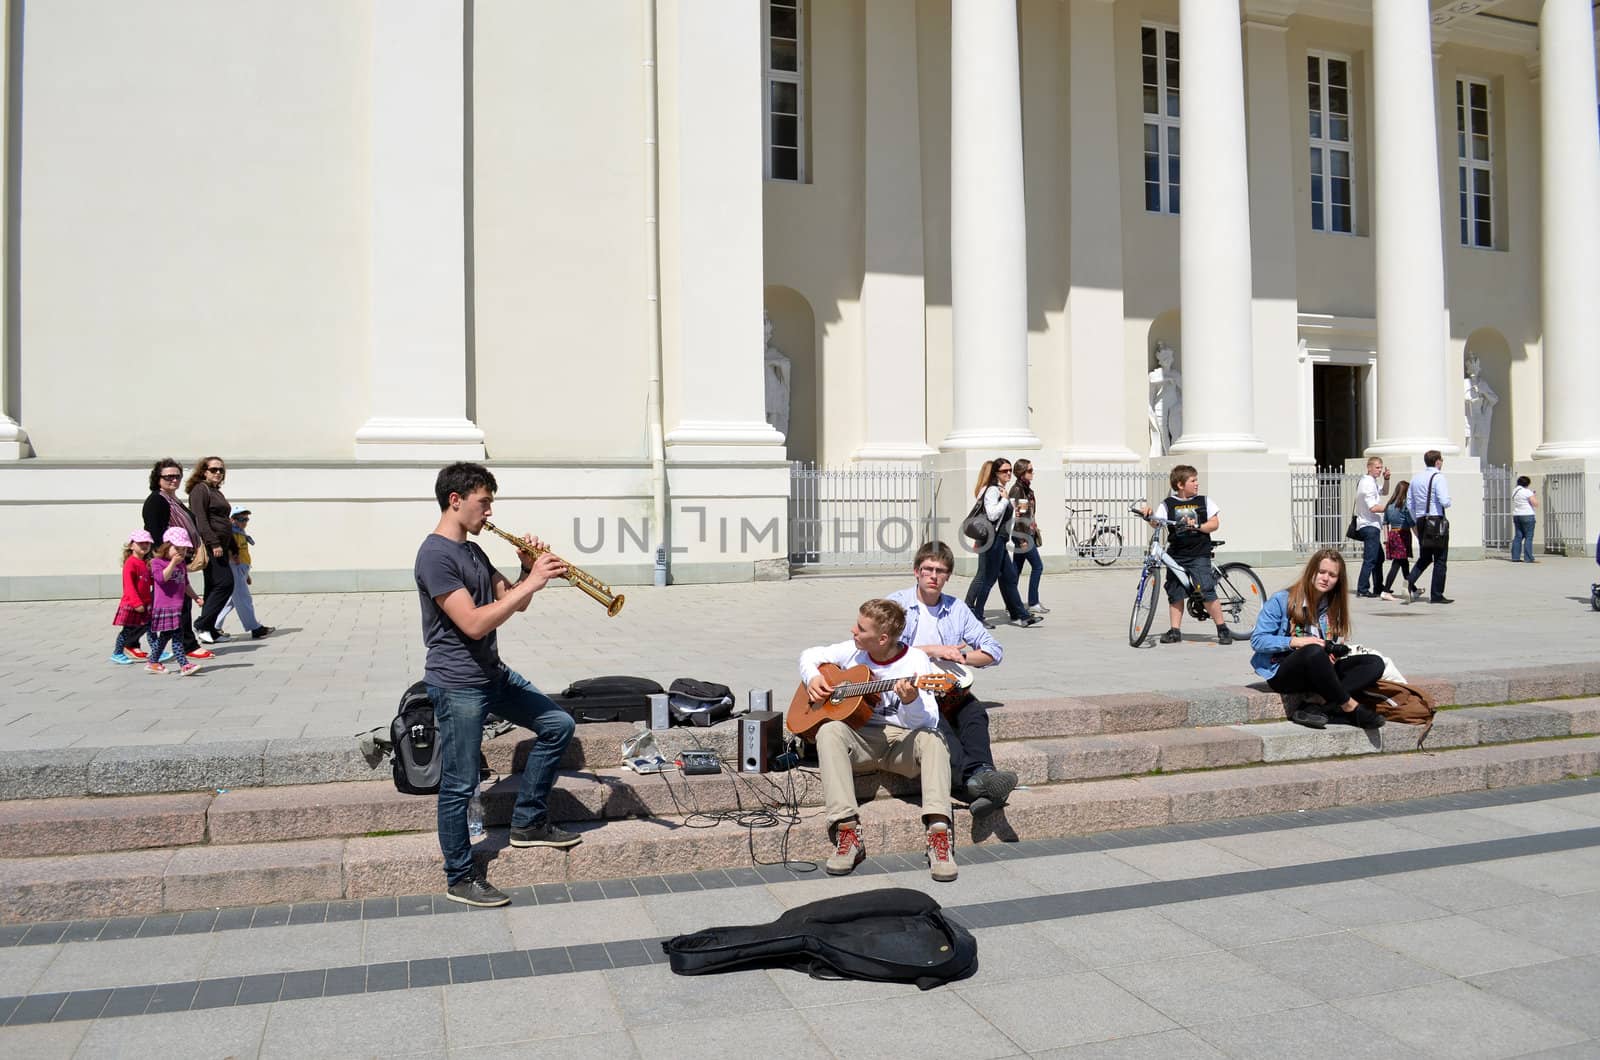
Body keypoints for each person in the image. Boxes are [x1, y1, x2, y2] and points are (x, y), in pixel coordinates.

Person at [416, 461, 581, 909]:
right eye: (483, 502)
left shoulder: (474, 552)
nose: (489, 513)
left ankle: (528, 823)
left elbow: (512, 602)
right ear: (456, 500)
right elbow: (471, 623)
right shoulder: (435, 556)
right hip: (458, 685)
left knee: (558, 725)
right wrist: (531, 581)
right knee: (460, 782)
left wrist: (526, 570)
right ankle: (460, 876)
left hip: (493, 674)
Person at [800, 598, 957, 882]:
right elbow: (809, 655)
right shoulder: (853, 651)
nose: (853, 631)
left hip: (900, 743)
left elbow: (926, 724)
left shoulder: (916, 663)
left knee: (934, 739)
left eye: (860, 628)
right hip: (861, 740)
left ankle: (938, 834)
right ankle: (847, 831)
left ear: (882, 639)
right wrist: (812, 678)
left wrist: (910, 702)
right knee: (828, 730)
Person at [886, 541, 1017, 821]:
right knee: (938, 723)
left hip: (949, 688)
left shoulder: (956, 608)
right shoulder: (897, 605)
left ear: (948, 576)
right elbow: (885, 650)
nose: (933, 576)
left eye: (941, 571)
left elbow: (994, 650)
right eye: (928, 569)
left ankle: (983, 776)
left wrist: (964, 658)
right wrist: (935, 650)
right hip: (911, 691)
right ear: (916, 572)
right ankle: (977, 784)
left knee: (975, 713)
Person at [1249, 549, 1385, 730]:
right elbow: (1258, 640)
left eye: (1332, 575)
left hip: (1319, 670)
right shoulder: (1282, 600)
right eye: (1321, 572)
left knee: (1374, 663)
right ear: (1311, 571)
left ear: (1338, 580)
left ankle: (1315, 705)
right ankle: (1350, 707)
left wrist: (1330, 654)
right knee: (1312, 651)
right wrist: (1297, 642)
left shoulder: (1332, 604)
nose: (1325, 578)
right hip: (1284, 671)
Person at [1138, 465, 1236, 645]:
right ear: (1180, 484)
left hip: (1198, 552)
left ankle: (1222, 629)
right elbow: (1156, 523)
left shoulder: (1204, 501)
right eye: (1193, 480)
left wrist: (1198, 527)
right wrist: (1149, 514)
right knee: (1174, 591)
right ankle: (1175, 631)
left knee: (1206, 589)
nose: (1197, 484)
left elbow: (1214, 523)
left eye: (1196, 480)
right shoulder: (1168, 504)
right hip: (1176, 554)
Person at [140, 459, 213, 661]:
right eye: (168, 476)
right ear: (158, 479)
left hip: (178, 559)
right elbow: (155, 532)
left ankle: (139, 642)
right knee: (176, 603)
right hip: (167, 561)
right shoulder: (157, 500)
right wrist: (166, 560)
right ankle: (187, 645)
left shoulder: (173, 499)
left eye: (177, 476)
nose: (173, 479)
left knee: (177, 603)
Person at [963, 458, 1041, 630]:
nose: (1008, 474)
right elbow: (991, 515)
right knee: (988, 579)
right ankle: (977, 615)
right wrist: (1005, 500)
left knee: (1010, 577)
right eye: (1004, 471)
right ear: (996, 473)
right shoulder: (993, 490)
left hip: (1002, 540)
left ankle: (1021, 616)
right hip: (994, 540)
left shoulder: (1002, 489)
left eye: (1009, 470)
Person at [186, 456, 237, 643]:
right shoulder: (200, 490)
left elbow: (225, 522)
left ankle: (210, 630)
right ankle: (202, 624)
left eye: (221, 470)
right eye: (213, 469)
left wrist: (232, 548)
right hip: (211, 546)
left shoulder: (216, 491)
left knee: (213, 587)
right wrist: (214, 543)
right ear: (203, 471)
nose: (218, 473)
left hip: (222, 546)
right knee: (225, 584)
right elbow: (201, 519)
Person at [148, 528, 204, 676]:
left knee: (166, 636)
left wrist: (196, 597)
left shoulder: (182, 565)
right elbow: (161, 579)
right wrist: (172, 563)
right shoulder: (157, 562)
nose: (181, 552)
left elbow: (185, 584)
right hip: (164, 607)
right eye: (177, 549)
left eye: (184, 549)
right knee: (177, 636)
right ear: (166, 547)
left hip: (177, 606)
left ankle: (153, 661)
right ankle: (184, 665)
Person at [215, 506, 275, 639]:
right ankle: (255, 628)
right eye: (241, 519)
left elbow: (244, 553)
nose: (244, 522)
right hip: (234, 567)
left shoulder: (240, 533)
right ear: (232, 519)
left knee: (230, 601)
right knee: (243, 598)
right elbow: (229, 551)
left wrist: (246, 575)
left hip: (241, 569)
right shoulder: (230, 533)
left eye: (246, 519)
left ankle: (214, 626)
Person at [1406, 449, 1452, 604]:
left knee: (1425, 556)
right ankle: (1436, 594)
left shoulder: (1416, 478)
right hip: (1436, 520)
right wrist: (1448, 501)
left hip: (1421, 520)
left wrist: (1416, 520)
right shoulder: (1438, 477)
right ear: (1437, 461)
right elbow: (1445, 501)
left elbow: (1410, 503)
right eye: (1441, 460)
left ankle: (1409, 581)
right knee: (1440, 558)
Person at [1008, 458, 1048, 615]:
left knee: (1016, 570)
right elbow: (1018, 517)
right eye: (1029, 470)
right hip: (1023, 535)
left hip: (1026, 533)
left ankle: (1011, 603)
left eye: (1032, 470)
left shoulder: (1025, 489)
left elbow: (1027, 513)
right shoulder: (1018, 490)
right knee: (1038, 566)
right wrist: (1022, 539)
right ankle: (1033, 602)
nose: (1032, 473)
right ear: (1021, 472)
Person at [110, 530, 155, 665]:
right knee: (127, 630)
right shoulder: (131, 563)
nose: (144, 546)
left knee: (150, 628)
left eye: (147, 543)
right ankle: (117, 653)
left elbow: (149, 581)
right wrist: (137, 603)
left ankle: (157, 650)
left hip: (145, 603)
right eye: (140, 543)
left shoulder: (145, 563)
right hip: (133, 604)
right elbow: (129, 586)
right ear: (131, 546)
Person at [1353, 457, 1389, 598]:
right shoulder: (1367, 483)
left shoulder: (1371, 481)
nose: (1379, 470)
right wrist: (1392, 507)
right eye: (1377, 467)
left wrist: (1386, 479)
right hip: (1369, 526)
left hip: (1373, 526)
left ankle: (1378, 586)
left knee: (1379, 558)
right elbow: (1373, 507)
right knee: (1370, 559)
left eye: (1381, 467)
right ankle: (1362, 589)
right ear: (1369, 467)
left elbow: (1384, 492)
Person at [1379, 479, 1415, 603]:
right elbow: (1411, 522)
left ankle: (1412, 588)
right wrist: (1419, 536)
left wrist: (1386, 539)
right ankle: (1386, 590)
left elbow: (1385, 523)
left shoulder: (1389, 505)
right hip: (1402, 534)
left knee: (1404, 563)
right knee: (1397, 563)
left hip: (1392, 534)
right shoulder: (1404, 505)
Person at [1510, 476, 1538, 563]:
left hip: (1517, 515)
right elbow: (1535, 503)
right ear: (1527, 483)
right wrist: (1533, 495)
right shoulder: (1527, 491)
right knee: (1528, 537)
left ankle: (1515, 557)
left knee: (1518, 536)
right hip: (1527, 515)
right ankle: (1528, 558)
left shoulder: (1515, 491)